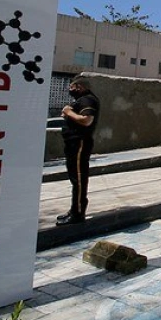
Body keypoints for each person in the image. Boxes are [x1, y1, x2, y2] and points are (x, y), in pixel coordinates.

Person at [56, 76, 100, 226]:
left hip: (79, 142)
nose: (70, 90)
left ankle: (78, 213)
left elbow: (87, 120)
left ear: (79, 87)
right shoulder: (82, 100)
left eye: (72, 87)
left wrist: (69, 112)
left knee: (79, 178)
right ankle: (74, 209)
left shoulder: (87, 100)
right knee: (75, 177)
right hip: (73, 142)